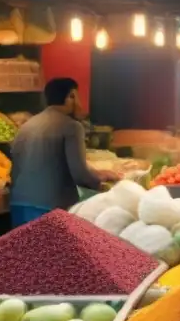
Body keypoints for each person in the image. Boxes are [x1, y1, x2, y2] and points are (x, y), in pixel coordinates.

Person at [10, 78, 116, 227]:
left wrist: (97, 172)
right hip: (50, 207)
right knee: (51, 250)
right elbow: (80, 174)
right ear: (71, 96)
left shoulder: (27, 125)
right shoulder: (71, 126)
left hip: (18, 205)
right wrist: (101, 185)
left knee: (27, 249)